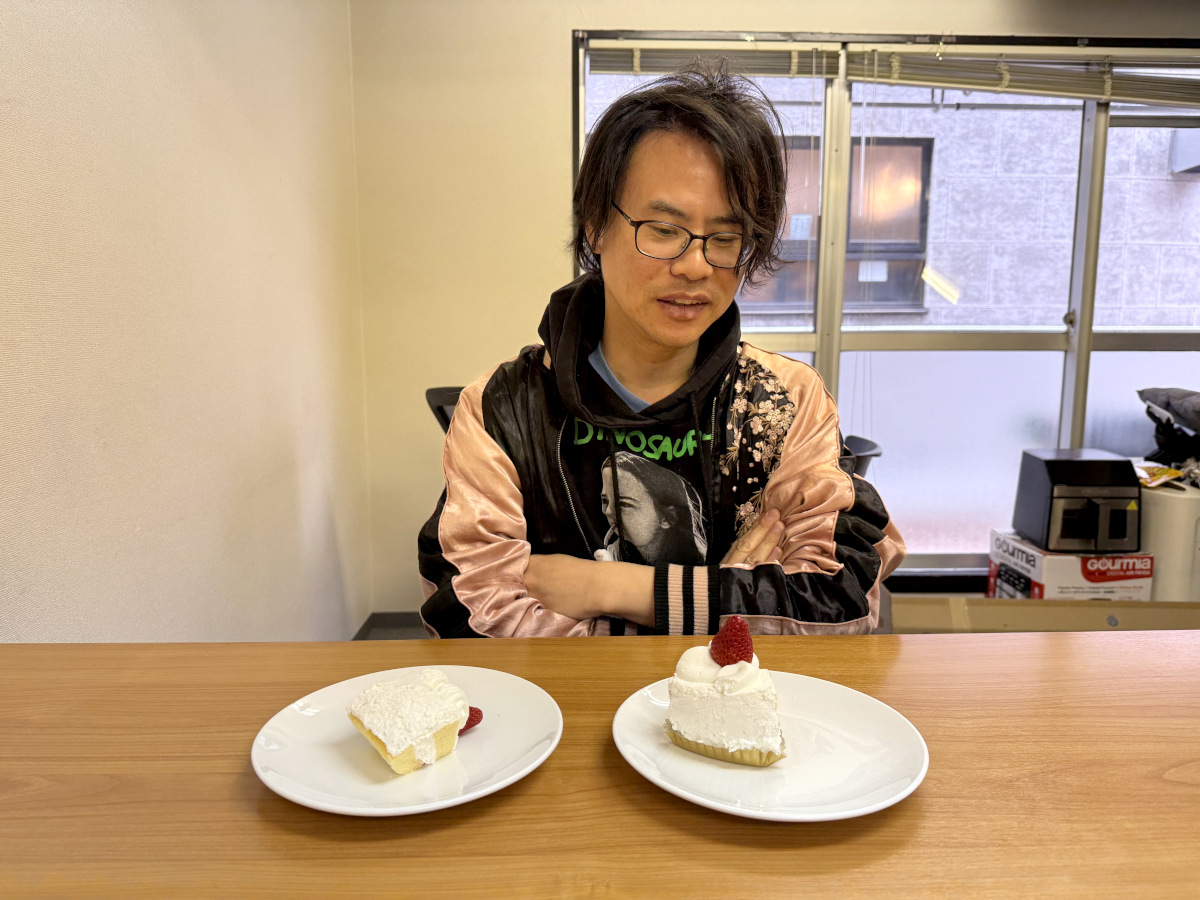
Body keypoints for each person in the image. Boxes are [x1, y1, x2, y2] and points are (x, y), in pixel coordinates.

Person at [418, 62, 905, 638]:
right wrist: (728, 597)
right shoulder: (503, 409)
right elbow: (473, 616)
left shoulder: (783, 403)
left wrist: (611, 589)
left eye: (725, 238)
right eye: (664, 230)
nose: (696, 265)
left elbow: (839, 606)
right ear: (596, 226)